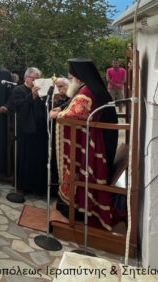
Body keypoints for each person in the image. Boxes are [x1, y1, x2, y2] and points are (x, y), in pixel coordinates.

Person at [50, 58, 118, 230]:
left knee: (79, 175)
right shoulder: (91, 89)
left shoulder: (86, 93)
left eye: (70, 78)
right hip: (95, 140)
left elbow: (74, 114)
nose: (70, 81)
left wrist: (57, 115)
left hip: (91, 145)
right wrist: (62, 108)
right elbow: (73, 106)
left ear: (79, 79)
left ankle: (78, 210)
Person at [3, 68, 47, 195]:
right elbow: (17, 106)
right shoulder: (18, 90)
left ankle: (37, 187)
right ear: (26, 78)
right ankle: (22, 186)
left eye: (38, 78)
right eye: (33, 78)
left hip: (40, 129)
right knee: (25, 159)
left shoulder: (42, 91)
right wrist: (32, 96)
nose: (35, 81)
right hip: (25, 130)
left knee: (38, 159)